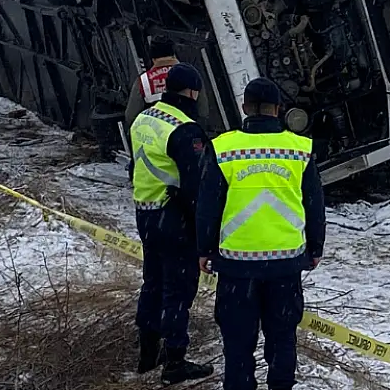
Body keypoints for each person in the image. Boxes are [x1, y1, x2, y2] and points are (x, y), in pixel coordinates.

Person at [196, 77, 326, 390]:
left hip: (236, 267)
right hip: (285, 264)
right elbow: (314, 204)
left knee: (238, 345)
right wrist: (315, 247)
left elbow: (208, 205)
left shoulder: (223, 148)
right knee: (282, 341)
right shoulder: (300, 149)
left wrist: (205, 248)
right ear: (279, 110)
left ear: (244, 108)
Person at [128, 63, 216, 383]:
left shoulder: (144, 118)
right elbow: (197, 187)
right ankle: (175, 361)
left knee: (152, 282)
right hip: (174, 218)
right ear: (192, 92)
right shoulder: (185, 130)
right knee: (178, 290)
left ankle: (148, 352)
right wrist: (205, 232)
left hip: (146, 213)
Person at [124, 36, 209, 133]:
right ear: (173, 54)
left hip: (157, 137)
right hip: (188, 134)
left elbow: (130, 116)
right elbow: (203, 111)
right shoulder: (191, 75)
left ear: (153, 58)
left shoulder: (143, 82)